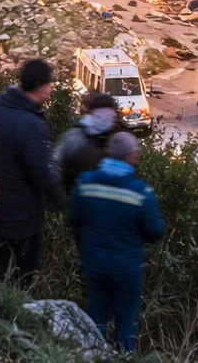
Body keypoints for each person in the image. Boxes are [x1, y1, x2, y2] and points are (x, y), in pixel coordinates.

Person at [69, 131, 164, 355]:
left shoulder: (85, 182)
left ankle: (94, 355)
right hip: (127, 268)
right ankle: (124, 356)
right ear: (130, 156)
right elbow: (155, 231)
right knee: (126, 319)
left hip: (94, 263)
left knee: (96, 315)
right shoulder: (140, 192)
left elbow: (73, 218)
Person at [0, 57, 64, 287]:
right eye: (49, 85)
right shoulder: (31, 124)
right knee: (21, 280)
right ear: (39, 87)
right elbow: (42, 173)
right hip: (21, 220)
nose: (50, 90)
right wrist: (61, 200)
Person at [54, 95, 118, 195]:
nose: (113, 122)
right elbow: (54, 167)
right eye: (111, 117)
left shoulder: (106, 138)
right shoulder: (74, 138)